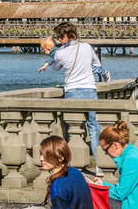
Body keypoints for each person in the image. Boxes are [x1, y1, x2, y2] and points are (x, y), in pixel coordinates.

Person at [43, 22, 103, 167]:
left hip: (72, 91)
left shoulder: (60, 53)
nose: (58, 40)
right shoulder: (87, 47)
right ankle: (99, 165)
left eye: (58, 37)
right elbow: (97, 64)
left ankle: (73, 166)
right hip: (89, 89)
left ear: (64, 37)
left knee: (73, 128)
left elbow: (56, 68)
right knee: (93, 127)